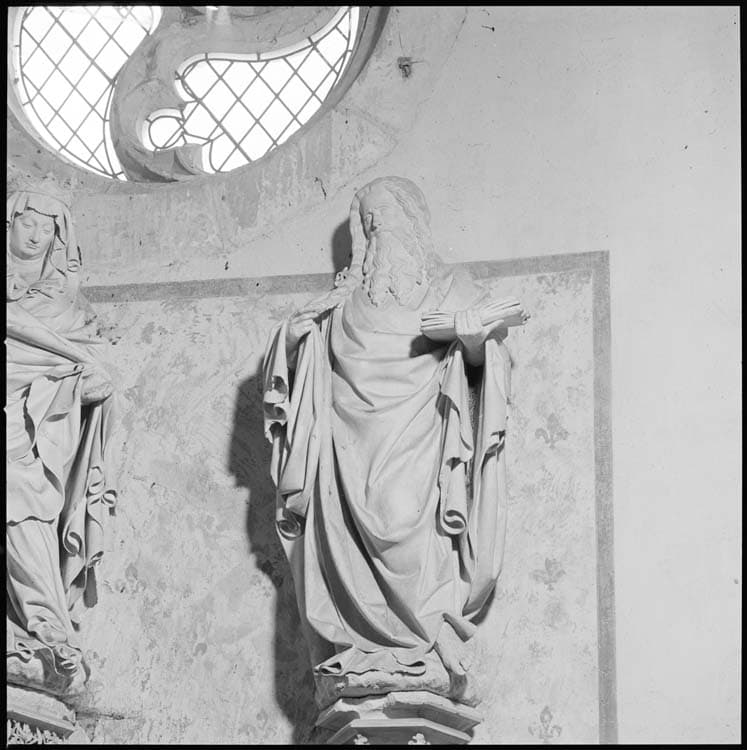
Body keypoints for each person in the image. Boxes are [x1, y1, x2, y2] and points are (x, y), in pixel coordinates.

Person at [263, 176, 526, 707]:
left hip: (420, 444)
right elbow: (303, 362)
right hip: (346, 454)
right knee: (344, 541)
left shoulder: (451, 289)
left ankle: (422, 649)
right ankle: (361, 653)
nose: (377, 225)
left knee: (408, 522)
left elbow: (482, 367)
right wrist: (290, 340)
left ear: (413, 219)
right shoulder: (342, 303)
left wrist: (473, 342)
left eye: (386, 213)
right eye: (368, 220)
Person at [6, 186, 117, 695]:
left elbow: (99, 379)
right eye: (26, 221)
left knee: (22, 498)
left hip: (32, 435)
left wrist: (76, 379)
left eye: (46, 227)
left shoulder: (69, 310)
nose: (35, 235)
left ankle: (45, 626)